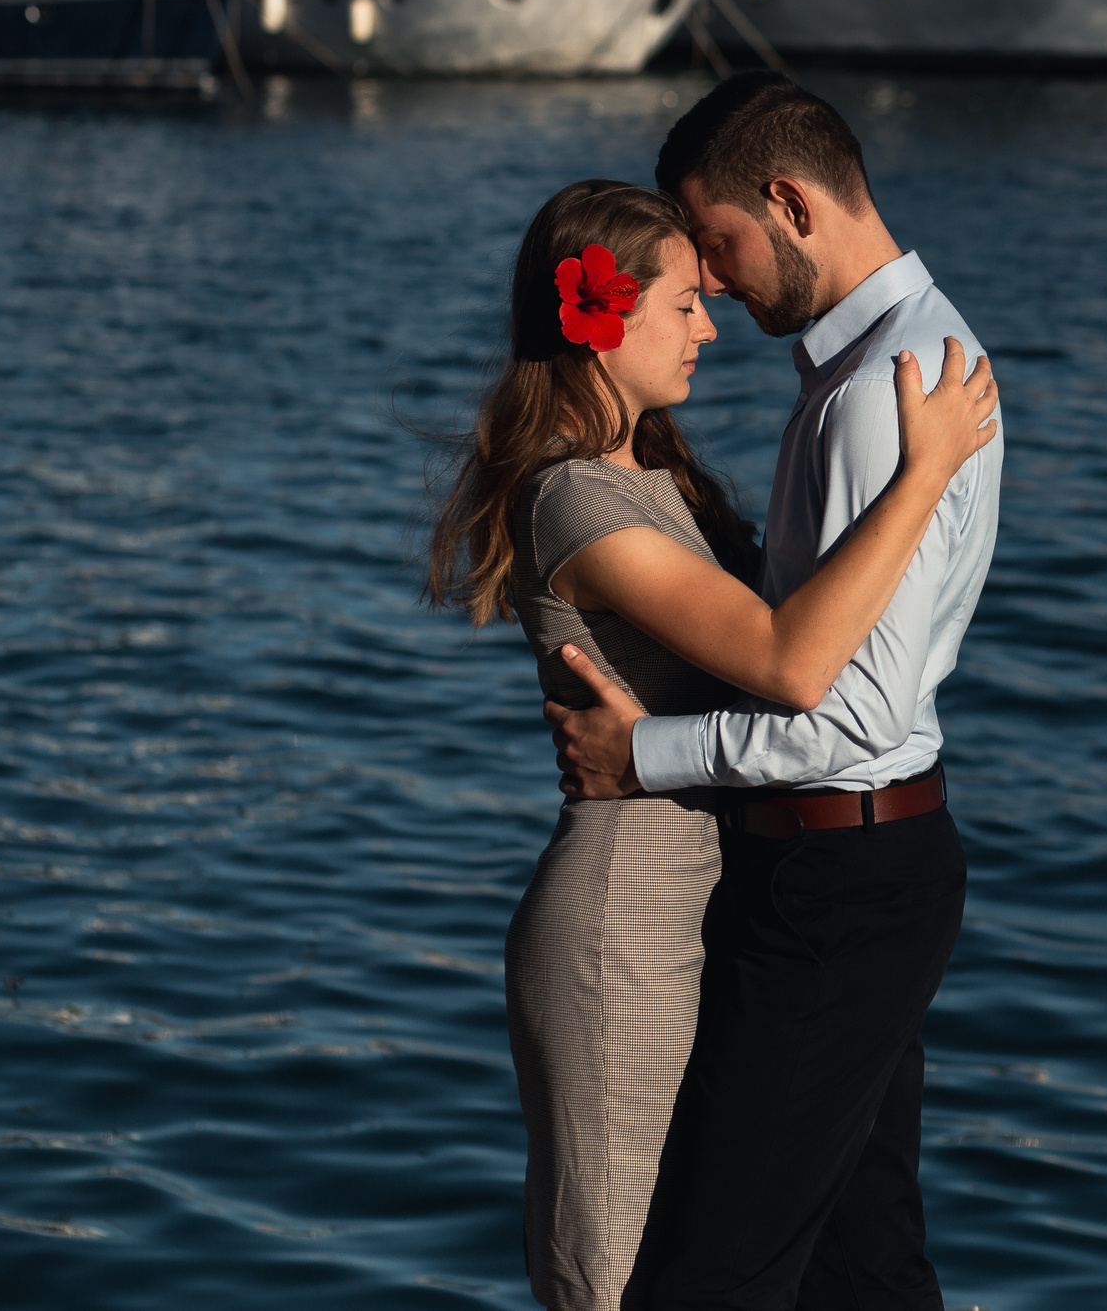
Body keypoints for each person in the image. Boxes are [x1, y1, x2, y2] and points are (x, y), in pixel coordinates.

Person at [423, 177, 998, 1311]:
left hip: (713, 901)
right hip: (621, 926)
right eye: (683, 302)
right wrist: (924, 471)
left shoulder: (658, 474)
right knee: (625, 1278)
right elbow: (791, 660)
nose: (710, 322)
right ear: (597, 320)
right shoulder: (574, 501)